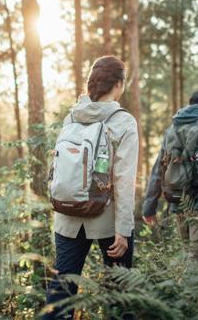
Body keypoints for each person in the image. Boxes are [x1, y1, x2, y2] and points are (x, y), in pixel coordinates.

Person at [44, 55, 139, 320]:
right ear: (119, 84)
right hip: (107, 219)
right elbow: (124, 181)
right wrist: (123, 230)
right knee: (120, 296)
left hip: (67, 215)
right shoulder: (124, 122)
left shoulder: (71, 116)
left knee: (60, 294)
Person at [141, 89, 198, 260]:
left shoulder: (172, 128)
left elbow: (159, 169)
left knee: (190, 256)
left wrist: (149, 208)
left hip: (178, 204)